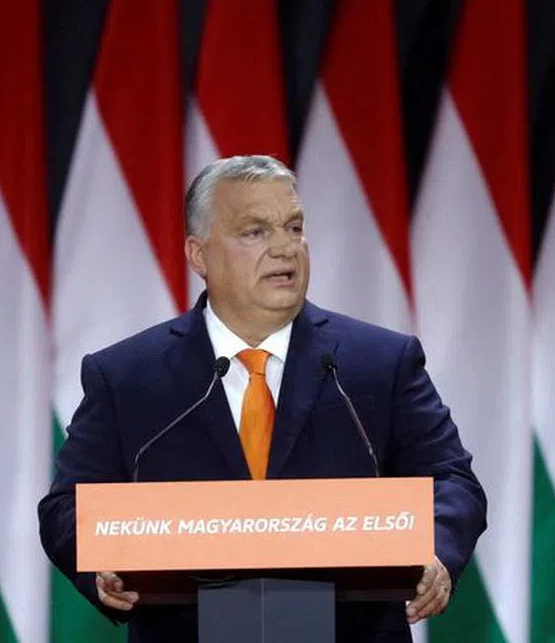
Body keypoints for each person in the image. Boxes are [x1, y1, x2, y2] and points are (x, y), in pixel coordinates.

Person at [39, 155, 487, 642]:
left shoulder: (378, 362)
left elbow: (452, 479)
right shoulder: (127, 376)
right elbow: (67, 506)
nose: (284, 248)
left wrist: (437, 552)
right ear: (199, 255)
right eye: (255, 232)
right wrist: (102, 565)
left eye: (293, 228)